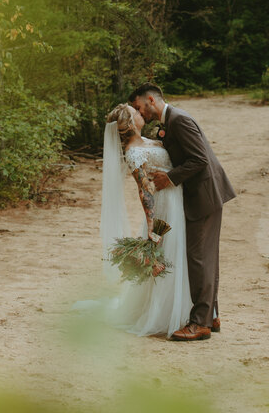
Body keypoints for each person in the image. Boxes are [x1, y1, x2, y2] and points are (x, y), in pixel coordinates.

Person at [129, 83, 236, 341]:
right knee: (203, 258)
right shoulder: (170, 122)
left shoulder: (179, 120)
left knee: (198, 258)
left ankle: (200, 324)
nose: (138, 111)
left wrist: (170, 178)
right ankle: (211, 315)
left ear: (151, 100)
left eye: (138, 106)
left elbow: (199, 159)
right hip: (199, 195)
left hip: (204, 196)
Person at [101, 103, 192, 338]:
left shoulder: (147, 141)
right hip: (164, 207)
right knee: (169, 254)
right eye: (136, 113)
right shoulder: (133, 152)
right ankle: (164, 314)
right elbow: (145, 191)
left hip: (176, 197)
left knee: (180, 253)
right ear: (130, 123)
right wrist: (152, 226)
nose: (141, 114)